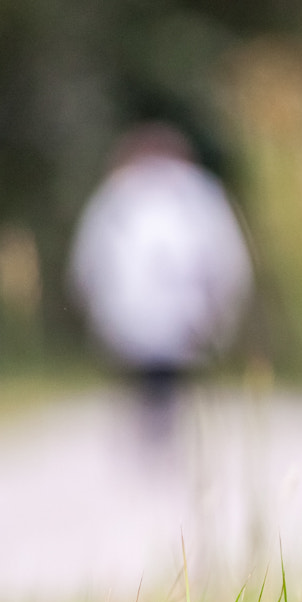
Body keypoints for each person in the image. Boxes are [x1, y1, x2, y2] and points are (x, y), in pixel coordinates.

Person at [68, 124, 253, 451]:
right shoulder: (200, 194)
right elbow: (226, 256)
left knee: (150, 375)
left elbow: (89, 259)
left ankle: (154, 435)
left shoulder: (117, 194)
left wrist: (92, 305)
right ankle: (167, 435)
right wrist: (224, 305)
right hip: (183, 311)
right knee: (170, 376)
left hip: (134, 313)